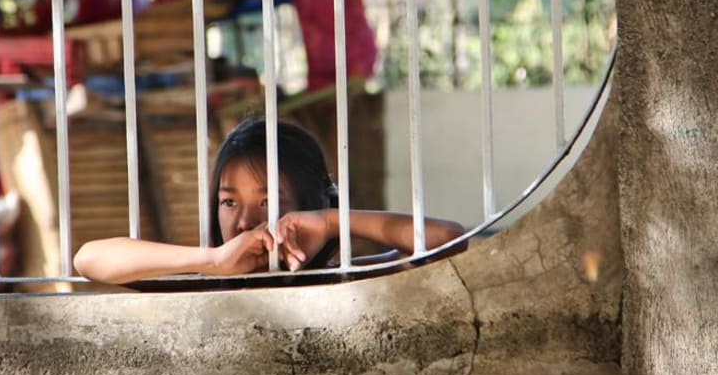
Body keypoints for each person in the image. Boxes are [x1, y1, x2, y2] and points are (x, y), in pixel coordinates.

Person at [74, 118, 466, 284]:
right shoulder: (202, 283)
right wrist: (210, 262)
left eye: (267, 203)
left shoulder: (342, 280)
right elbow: (88, 259)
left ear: (306, 204)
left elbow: (448, 240)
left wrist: (329, 220)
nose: (244, 222)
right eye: (229, 203)